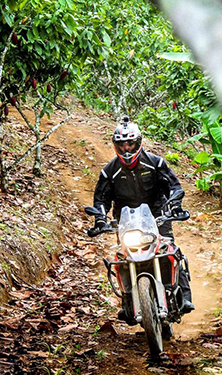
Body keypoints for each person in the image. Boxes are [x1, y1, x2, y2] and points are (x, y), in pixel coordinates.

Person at [92, 115, 194, 314]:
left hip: (156, 216)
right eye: (121, 145)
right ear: (115, 146)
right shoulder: (109, 171)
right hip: (125, 221)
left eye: (130, 144)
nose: (126, 149)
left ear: (138, 142)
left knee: (171, 250)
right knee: (122, 257)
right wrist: (100, 218)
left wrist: (175, 205)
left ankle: (185, 295)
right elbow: (100, 199)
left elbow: (174, 186)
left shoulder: (155, 163)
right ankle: (128, 301)